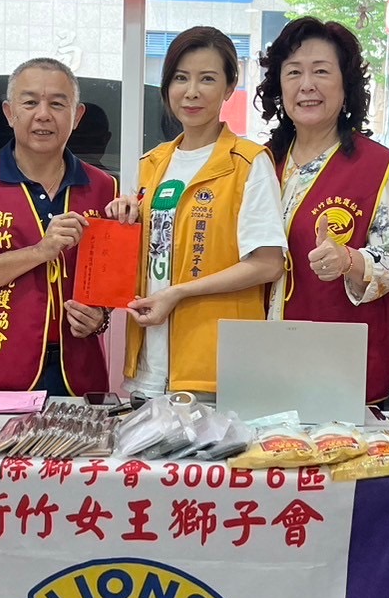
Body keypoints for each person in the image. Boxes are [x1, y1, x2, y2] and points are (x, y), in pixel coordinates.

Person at [107, 26, 286, 397]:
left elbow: (268, 264)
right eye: (180, 78)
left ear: (229, 86)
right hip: (147, 369)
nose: (191, 92)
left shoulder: (249, 163)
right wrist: (121, 219)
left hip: (214, 370)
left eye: (207, 78)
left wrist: (178, 293)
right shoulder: (149, 165)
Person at [256, 17, 389, 407]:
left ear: (347, 87)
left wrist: (349, 260)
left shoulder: (379, 167)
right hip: (258, 360)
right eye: (293, 72)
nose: (306, 84)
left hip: (337, 368)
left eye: (321, 71)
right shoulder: (259, 163)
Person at [0, 58, 116, 397]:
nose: (43, 114)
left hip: (76, 373)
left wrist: (100, 317)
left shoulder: (103, 187)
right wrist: (40, 251)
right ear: (9, 113)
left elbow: (107, 286)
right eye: (30, 102)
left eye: (58, 104)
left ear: (77, 116)